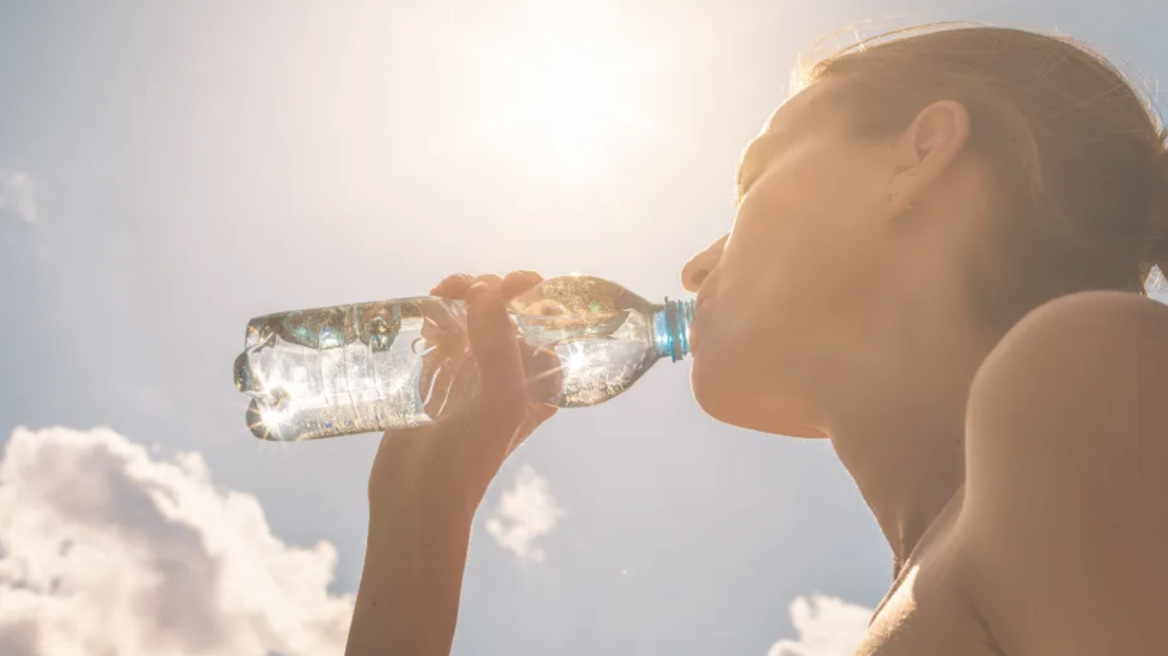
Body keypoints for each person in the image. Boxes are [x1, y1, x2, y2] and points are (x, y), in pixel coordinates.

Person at [344, 23, 1168, 655]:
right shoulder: (935, 579)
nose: (696, 268)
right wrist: (420, 522)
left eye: (753, 178)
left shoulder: (1085, 373)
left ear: (915, 157)